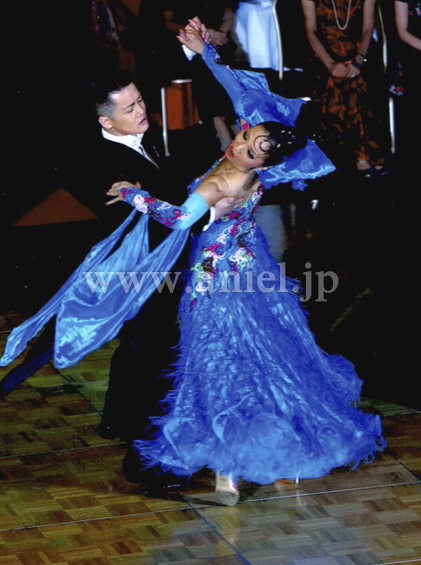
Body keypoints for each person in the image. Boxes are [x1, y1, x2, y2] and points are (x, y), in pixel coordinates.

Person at [103, 20, 386, 506]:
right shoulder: (259, 159)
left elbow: (178, 218)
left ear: (264, 163)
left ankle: (228, 477)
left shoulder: (222, 183)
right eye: (245, 134)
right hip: (249, 269)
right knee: (256, 358)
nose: (239, 144)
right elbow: (242, 95)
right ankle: (259, 457)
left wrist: (134, 194)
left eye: (251, 149)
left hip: (215, 283)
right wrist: (206, 55)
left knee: (218, 369)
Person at [301, 0, 390, 177]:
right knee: (337, 84)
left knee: (361, 82)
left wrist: (358, 61)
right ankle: (365, 154)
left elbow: (368, 29)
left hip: (360, 54)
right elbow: (311, 32)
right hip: (324, 57)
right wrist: (330, 64)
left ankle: (361, 156)